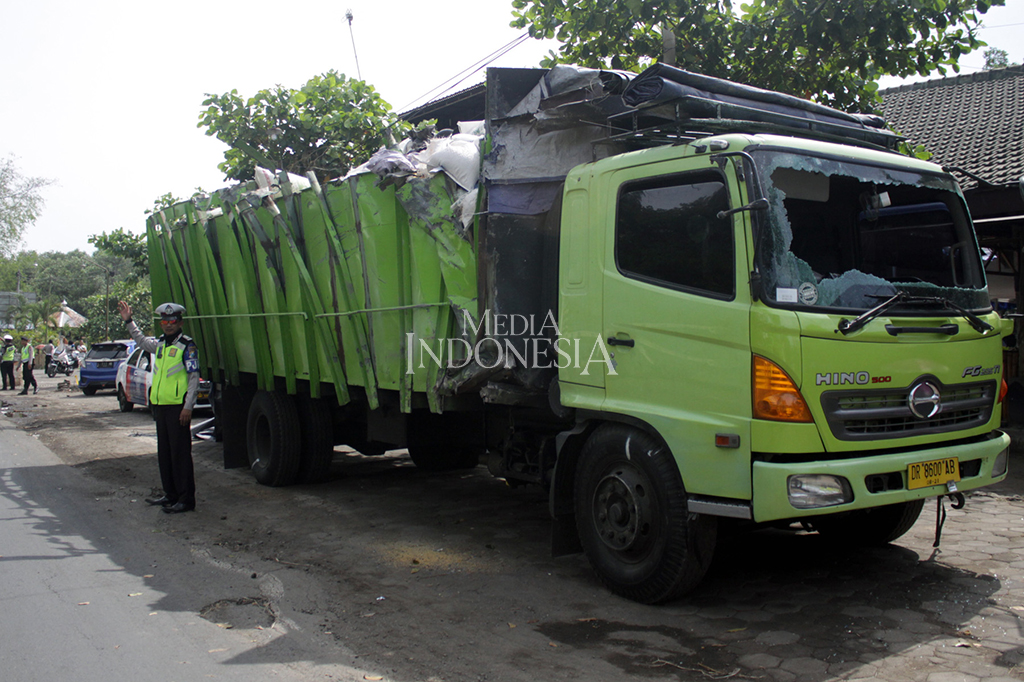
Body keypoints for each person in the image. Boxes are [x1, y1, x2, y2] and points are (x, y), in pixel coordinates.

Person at [118, 300, 200, 514]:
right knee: (164, 453)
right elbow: (141, 340)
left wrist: (188, 406)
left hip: (178, 408)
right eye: (165, 321)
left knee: (180, 455)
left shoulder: (187, 345)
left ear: (180, 322)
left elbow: (193, 378)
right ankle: (170, 494)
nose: (169, 324)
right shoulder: (161, 344)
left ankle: (185, 499)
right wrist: (129, 321)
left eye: (172, 321)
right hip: (160, 407)